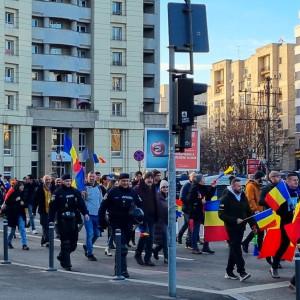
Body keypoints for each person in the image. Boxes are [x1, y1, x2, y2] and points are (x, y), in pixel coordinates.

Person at [99, 173, 142, 278]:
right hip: (115, 223)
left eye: (127, 181)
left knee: (124, 248)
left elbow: (141, 206)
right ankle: (120, 270)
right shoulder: (112, 192)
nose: (125, 183)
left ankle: (121, 269)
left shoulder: (133, 192)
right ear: (119, 181)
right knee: (121, 247)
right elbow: (102, 207)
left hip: (128, 223)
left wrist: (139, 217)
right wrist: (102, 222)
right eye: (123, 181)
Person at [48, 174, 89, 271]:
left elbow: (81, 204)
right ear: (62, 181)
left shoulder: (75, 191)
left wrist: (85, 213)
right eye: (66, 181)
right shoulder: (57, 192)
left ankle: (62, 255)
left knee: (73, 244)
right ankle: (67, 264)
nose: (68, 183)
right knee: (65, 243)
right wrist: (51, 220)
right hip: (62, 221)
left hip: (73, 220)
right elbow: (52, 208)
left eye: (69, 181)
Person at [219, 178, 255, 282]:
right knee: (236, 249)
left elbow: (248, 212)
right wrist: (234, 220)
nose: (241, 188)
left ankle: (229, 271)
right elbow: (221, 215)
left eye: (241, 186)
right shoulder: (225, 198)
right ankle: (242, 272)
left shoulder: (242, 195)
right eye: (239, 186)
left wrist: (253, 225)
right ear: (233, 186)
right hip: (231, 227)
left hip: (241, 227)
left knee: (234, 249)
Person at [267, 172, 299, 279]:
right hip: (287, 222)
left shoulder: (298, 191)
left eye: (297, 180)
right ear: (288, 181)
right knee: (284, 245)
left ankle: (295, 279)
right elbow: (276, 208)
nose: (296, 182)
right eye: (294, 180)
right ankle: (274, 266)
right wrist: (289, 210)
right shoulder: (282, 191)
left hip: (297, 223)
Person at [186, 174, 216, 254]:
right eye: (203, 178)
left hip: (202, 211)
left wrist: (213, 187)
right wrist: (200, 201)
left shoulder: (203, 187)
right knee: (196, 229)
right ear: (199, 180)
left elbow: (209, 196)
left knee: (208, 227)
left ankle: (206, 246)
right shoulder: (194, 188)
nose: (204, 179)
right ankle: (194, 248)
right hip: (195, 212)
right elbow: (189, 199)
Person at [134, 172, 158, 266]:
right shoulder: (137, 189)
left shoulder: (153, 189)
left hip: (151, 217)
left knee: (150, 238)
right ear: (144, 179)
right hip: (142, 218)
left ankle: (147, 258)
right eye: (148, 178)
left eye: (151, 178)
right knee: (145, 235)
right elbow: (134, 202)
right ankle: (138, 254)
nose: (150, 180)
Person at [241, 171, 265, 253]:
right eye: (263, 178)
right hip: (252, 211)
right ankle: (245, 242)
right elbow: (250, 199)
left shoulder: (257, 186)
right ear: (259, 178)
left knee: (260, 229)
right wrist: (256, 210)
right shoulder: (250, 186)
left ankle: (259, 247)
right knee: (257, 229)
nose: (264, 179)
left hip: (259, 210)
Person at [82, 172, 102, 261]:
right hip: (88, 215)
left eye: (93, 177)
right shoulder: (84, 188)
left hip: (97, 215)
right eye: (90, 177)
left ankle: (87, 245)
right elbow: (81, 201)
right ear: (87, 178)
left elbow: (101, 200)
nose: (92, 178)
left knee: (97, 234)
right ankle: (89, 253)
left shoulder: (98, 188)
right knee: (90, 234)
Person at [4, 181, 29, 250]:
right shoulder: (13, 192)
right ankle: (8, 242)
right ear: (18, 186)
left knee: (22, 229)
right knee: (12, 230)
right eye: (21, 186)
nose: (22, 187)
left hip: (21, 213)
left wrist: (23, 203)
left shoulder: (24, 193)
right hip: (13, 214)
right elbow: (7, 202)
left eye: (23, 185)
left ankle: (24, 244)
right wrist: (15, 200)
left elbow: (26, 203)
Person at [33, 175, 52, 247]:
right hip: (43, 210)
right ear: (43, 180)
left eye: (49, 180)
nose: (48, 181)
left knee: (48, 226)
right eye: (46, 180)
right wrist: (33, 211)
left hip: (51, 210)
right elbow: (35, 200)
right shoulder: (39, 188)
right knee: (45, 225)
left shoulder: (52, 188)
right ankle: (47, 241)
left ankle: (43, 240)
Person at [177, 172, 196, 246]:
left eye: (195, 177)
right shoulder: (186, 185)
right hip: (186, 208)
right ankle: (188, 241)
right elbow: (182, 197)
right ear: (190, 177)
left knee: (186, 224)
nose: (194, 178)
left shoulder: (194, 185)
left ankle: (179, 236)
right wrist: (190, 200)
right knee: (190, 224)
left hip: (192, 208)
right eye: (193, 177)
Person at [153, 180, 168, 264]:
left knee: (165, 241)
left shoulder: (168, 196)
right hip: (160, 221)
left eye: (166, 187)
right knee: (165, 240)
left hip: (167, 220)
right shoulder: (158, 196)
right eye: (163, 187)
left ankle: (155, 250)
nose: (165, 188)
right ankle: (166, 258)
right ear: (160, 188)